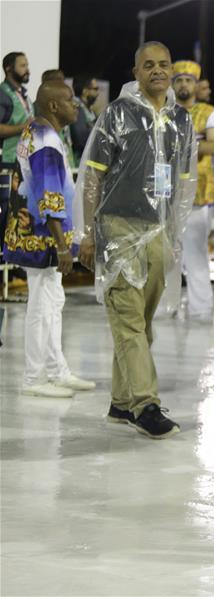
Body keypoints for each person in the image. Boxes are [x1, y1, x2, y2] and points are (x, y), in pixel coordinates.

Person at [76, 41, 196, 439]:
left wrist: (175, 231)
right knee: (127, 317)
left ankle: (121, 402)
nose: (158, 71)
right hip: (119, 228)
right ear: (136, 72)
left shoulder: (182, 120)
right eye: (149, 65)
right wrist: (88, 232)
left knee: (141, 324)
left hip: (159, 231)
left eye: (164, 64)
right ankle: (145, 404)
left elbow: (181, 182)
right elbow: (93, 175)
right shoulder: (118, 114)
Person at [2, 80, 95, 397]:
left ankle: (57, 370)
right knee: (41, 306)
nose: (76, 106)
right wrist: (61, 245)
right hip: (41, 236)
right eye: (70, 100)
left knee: (53, 301)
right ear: (54, 106)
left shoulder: (39, 131)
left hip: (39, 233)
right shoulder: (45, 140)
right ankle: (34, 377)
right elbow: (49, 196)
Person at [173, 60, 214, 321]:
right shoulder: (164, 111)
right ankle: (164, 307)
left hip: (198, 193)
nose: (183, 84)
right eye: (179, 80)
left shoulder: (209, 112)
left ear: (195, 84)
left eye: (188, 80)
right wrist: (196, 141)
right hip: (167, 194)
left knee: (195, 254)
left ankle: (200, 309)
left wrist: (178, 144)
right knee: (167, 255)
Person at [1, 52, 34, 255]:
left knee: (18, 215)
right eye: (22, 65)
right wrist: (23, 126)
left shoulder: (24, 94)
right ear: (9, 69)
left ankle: (14, 264)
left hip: (22, 163)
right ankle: (5, 266)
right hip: (6, 163)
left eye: (27, 65)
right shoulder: (3, 94)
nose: (27, 69)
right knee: (6, 213)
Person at [70, 74, 100, 164]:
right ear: (85, 91)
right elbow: (81, 139)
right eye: (95, 89)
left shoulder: (89, 111)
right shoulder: (77, 110)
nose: (98, 93)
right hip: (79, 163)